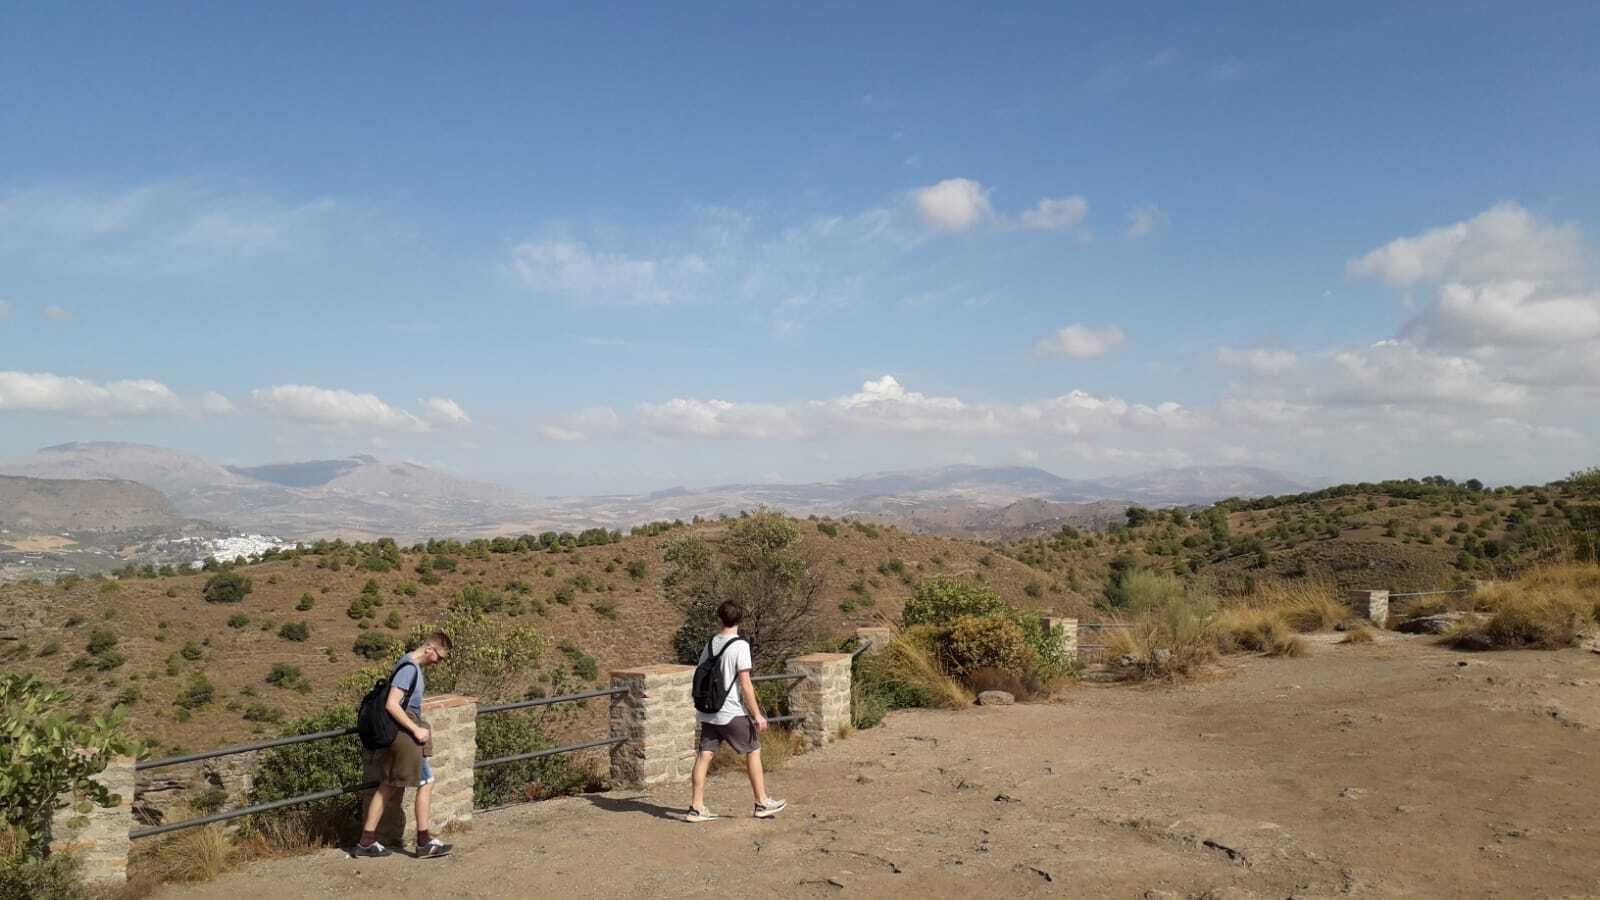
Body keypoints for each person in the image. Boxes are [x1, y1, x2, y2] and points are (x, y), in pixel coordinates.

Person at [352, 631, 454, 858]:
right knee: (425, 782)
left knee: (389, 785)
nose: (438, 662)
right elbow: (392, 704)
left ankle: (366, 842)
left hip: (398, 735)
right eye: (439, 657)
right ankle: (423, 841)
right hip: (403, 735)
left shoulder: (407, 663)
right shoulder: (409, 668)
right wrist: (416, 729)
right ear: (430, 649)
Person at [685, 600, 787, 822]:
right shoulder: (740, 646)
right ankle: (761, 802)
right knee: (754, 748)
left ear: (720, 618)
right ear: (740, 620)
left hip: (708, 711)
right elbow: (745, 683)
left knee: (704, 755)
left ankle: (696, 807)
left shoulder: (711, 643)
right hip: (730, 710)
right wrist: (757, 714)